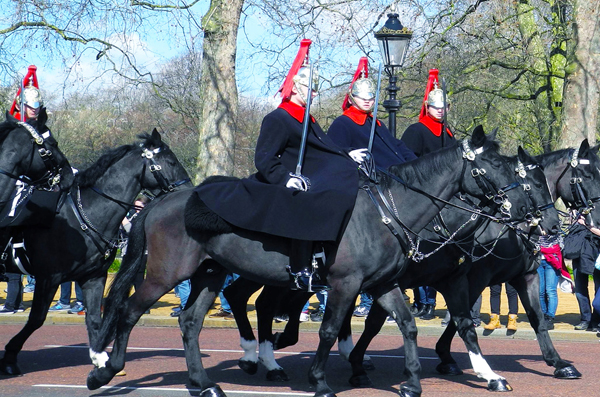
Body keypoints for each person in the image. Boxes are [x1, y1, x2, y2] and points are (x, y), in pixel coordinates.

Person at [195, 39, 359, 292]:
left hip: (310, 176)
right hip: (288, 179)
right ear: (295, 87)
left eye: (315, 91)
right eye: (309, 89)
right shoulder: (278, 118)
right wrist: (285, 178)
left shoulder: (308, 119)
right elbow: (264, 157)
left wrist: (349, 155)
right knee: (305, 202)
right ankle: (299, 267)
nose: (313, 94)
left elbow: (326, 149)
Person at [327, 57, 417, 317]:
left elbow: (397, 148)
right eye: (363, 98)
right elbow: (333, 153)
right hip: (366, 184)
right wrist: (347, 154)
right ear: (352, 98)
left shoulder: (375, 122)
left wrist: (416, 166)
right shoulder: (343, 123)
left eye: (370, 98)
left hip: (392, 181)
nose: (368, 102)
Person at [401, 69, 456, 321]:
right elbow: (408, 161)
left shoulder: (449, 133)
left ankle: (431, 300)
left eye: (443, 107)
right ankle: (420, 299)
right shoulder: (416, 130)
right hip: (422, 193)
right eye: (436, 107)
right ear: (428, 107)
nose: (440, 111)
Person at [570, 215, 600, 331]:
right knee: (580, 289)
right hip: (579, 253)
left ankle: (596, 320)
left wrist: (587, 225)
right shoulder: (578, 211)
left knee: (598, 289)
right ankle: (585, 319)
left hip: (596, 255)